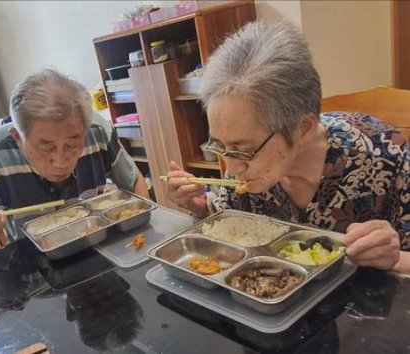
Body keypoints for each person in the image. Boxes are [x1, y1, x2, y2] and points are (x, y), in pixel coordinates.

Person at [166, 21, 410, 273]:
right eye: (220, 146)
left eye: (243, 149)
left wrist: (395, 257)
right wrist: (200, 208)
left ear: (302, 128)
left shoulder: (387, 155)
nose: (232, 167)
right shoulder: (243, 160)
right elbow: (231, 232)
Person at [0, 69, 148, 249]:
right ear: (18, 138)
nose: (61, 161)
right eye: (46, 147)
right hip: (35, 266)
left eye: (72, 144)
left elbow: (133, 181)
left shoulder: (97, 131)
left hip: (100, 245)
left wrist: (140, 229)